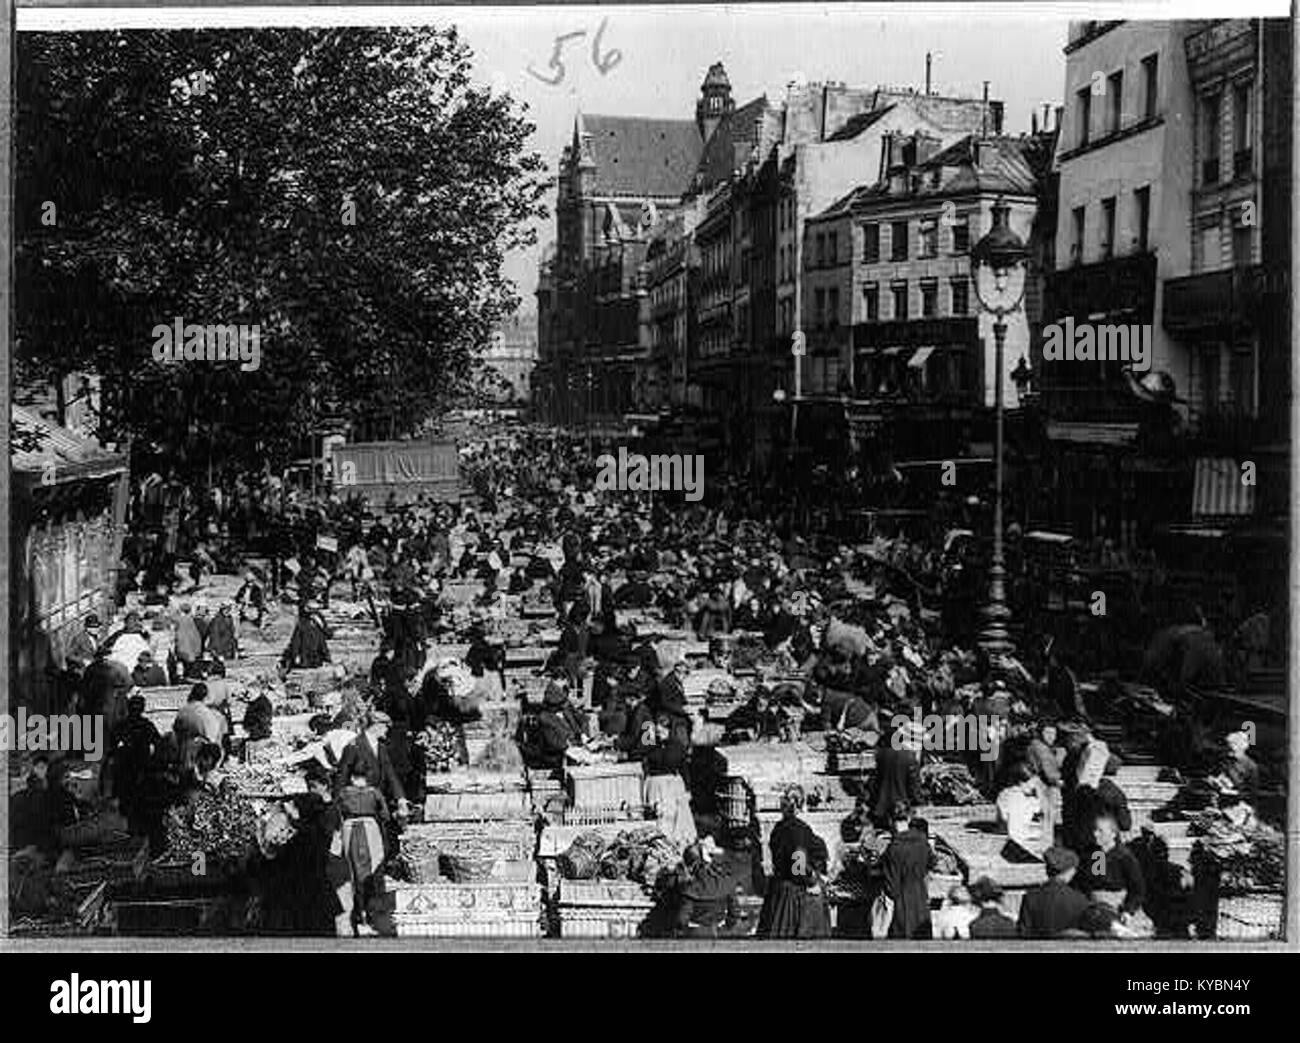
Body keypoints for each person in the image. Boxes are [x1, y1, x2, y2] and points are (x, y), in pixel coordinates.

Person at [758, 785, 830, 939]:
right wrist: (813, 884)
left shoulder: (778, 828)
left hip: (778, 890)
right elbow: (798, 866)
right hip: (795, 896)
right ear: (801, 806)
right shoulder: (800, 829)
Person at [633, 677, 697, 847]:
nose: (659, 732)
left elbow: (683, 767)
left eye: (663, 729)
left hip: (670, 784)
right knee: (658, 816)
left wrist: (688, 789)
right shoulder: (651, 742)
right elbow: (640, 753)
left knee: (673, 816)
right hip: (655, 783)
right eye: (657, 728)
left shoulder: (676, 746)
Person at [331, 761, 391, 936]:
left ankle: (359, 916)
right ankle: (370, 918)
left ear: (351, 777)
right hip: (370, 829)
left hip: (350, 830)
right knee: (373, 870)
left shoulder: (344, 793)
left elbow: (337, 813)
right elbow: (385, 815)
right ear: (367, 776)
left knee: (354, 873)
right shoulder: (374, 793)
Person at [333, 710, 408, 819]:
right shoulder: (353, 745)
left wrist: (400, 797)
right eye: (386, 727)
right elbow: (342, 775)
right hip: (358, 804)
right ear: (377, 726)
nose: (387, 730)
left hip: (378, 802)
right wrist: (337, 803)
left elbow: (390, 775)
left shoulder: (381, 748)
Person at [1075, 813, 1147, 924]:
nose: (1095, 834)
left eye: (1100, 831)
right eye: (1095, 830)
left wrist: (1128, 910)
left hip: (1118, 906)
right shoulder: (1094, 854)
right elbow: (1090, 883)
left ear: (1113, 834)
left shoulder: (1125, 857)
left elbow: (1137, 889)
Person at [108, 692, 162, 838]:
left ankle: (132, 834)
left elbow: (111, 750)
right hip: (142, 770)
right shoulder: (147, 725)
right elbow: (159, 744)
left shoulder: (121, 725)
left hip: (124, 770)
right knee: (141, 805)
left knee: (127, 806)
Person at [878, 801, 931, 939]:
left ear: (890, 821)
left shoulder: (894, 848)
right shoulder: (923, 842)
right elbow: (931, 863)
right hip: (921, 898)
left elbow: (892, 887)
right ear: (908, 818)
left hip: (903, 903)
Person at [1017, 846, 1094, 939]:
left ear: (1047, 869)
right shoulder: (1080, 900)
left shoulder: (1030, 897)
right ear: (1070, 871)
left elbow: (1023, 934)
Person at [872, 720, 921, 828]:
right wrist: (916, 801)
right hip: (902, 804)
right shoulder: (909, 756)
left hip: (881, 805)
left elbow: (876, 781)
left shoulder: (881, 756)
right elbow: (913, 783)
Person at [282, 599, 332, 671]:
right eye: (312, 610)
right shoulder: (302, 623)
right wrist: (296, 655)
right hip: (305, 657)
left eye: (315, 611)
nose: (313, 614)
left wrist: (322, 625)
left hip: (317, 658)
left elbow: (327, 636)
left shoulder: (319, 621)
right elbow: (296, 641)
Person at [173, 603, 203, 675]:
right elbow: (196, 637)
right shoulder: (191, 621)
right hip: (191, 650)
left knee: (182, 669)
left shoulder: (178, 620)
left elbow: (176, 636)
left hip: (182, 649)